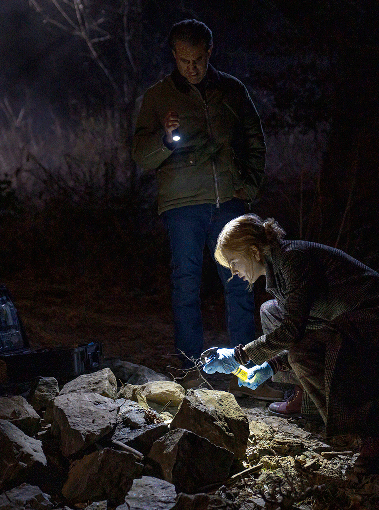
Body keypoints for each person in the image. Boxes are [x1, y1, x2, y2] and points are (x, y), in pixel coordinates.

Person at [131, 19, 281, 401]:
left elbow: (254, 139)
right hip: (183, 205)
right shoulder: (159, 96)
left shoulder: (231, 90)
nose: (192, 68)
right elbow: (141, 156)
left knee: (240, 285)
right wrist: (165, 139)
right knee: (186, 284)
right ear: (174, 56)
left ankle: (247, 372)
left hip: (229, 202)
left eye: (198, 59)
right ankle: (189, 371)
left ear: (209, 52)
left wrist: (247, 186)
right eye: (184, 60)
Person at [202, 214, 379, 474]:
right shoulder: (278, 266)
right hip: (342, 319)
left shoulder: (292, 259)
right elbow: (295, 329)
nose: (233, 273)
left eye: (234, 263)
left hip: (377, 318)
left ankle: (371, 438)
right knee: (271, 310)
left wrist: (240, 355)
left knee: (302, 351)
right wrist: (269, 368)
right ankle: (308, 401)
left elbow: (292, 331)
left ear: (254, 251)